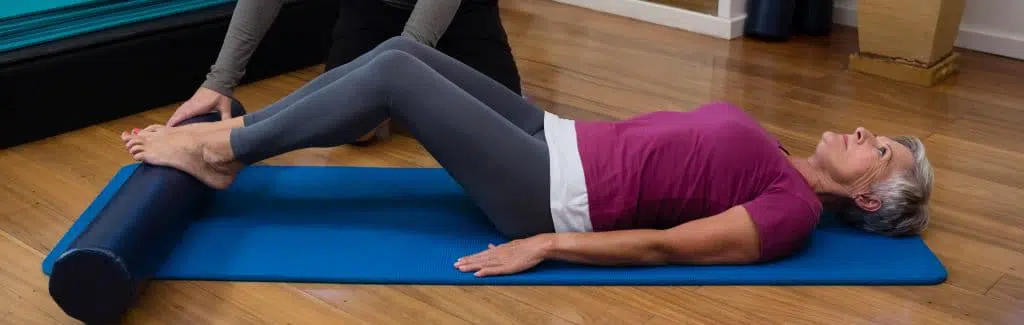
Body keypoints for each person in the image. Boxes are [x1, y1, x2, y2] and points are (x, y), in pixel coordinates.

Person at [121, 37, 934, 277]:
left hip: (554, 194)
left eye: (880, 150)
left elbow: (662, 246)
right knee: (403, 46)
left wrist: (547, 243)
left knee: (399, 75)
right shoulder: (786, 165)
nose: (864, 133)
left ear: (867, 199)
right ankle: (235, 138)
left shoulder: (789, 214)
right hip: (557, 137)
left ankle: (224, 147)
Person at [166, 0, 521, 145]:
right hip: (373, 9)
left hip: (458, 12)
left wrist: (400, 67)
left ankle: (230, 141)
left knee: (506, 122)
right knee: (357, 129)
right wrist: (219, 82)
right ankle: (227, 145)